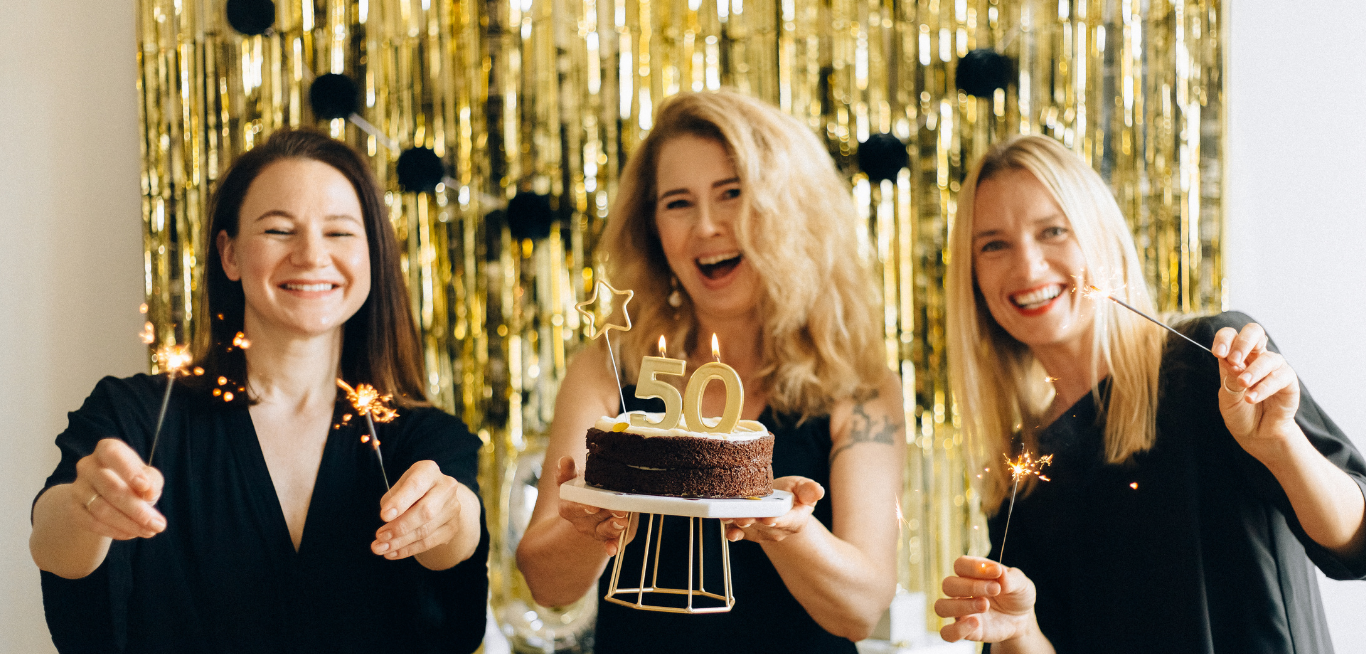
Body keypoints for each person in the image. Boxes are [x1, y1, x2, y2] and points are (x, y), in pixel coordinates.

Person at [29, 128, 489, 653]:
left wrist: (453, 518)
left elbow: (458, 559)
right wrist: (89, 507)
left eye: (339, 233)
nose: (312, 255)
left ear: (372, 257)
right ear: (229, 254)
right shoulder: (134, 413)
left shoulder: (423, 438)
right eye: (278, 230)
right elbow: (52, 541)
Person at [934, 135, 1366, 653]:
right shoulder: (1025, 471)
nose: (1027, 267)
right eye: (994, 244)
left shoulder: (1214, 361)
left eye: (1053, 231)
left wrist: (1281, 445)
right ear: (974, 275)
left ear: (1103, 238)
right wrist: (1021, 631)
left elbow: (1357, 546)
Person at [515, 90, 904, 652]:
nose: (706, 227)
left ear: (791, 207)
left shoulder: (856, 383)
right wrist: (588, 525)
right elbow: (546, 584)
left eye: (732, 194)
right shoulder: (608, 367)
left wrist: (781, 521)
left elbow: (861, 610)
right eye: (678, 203)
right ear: (651, 227)